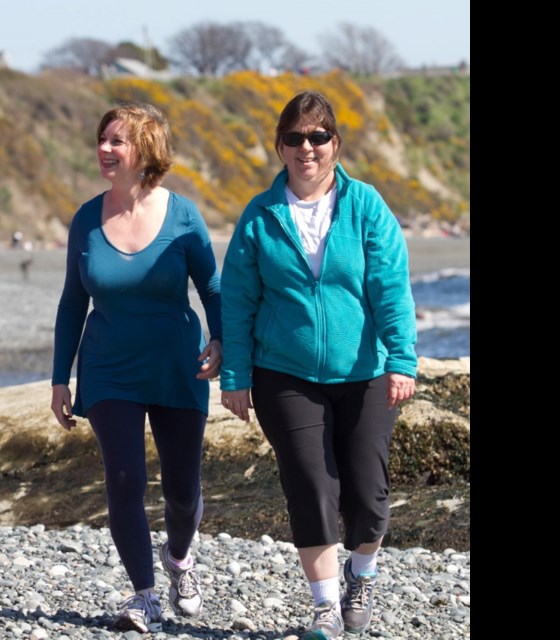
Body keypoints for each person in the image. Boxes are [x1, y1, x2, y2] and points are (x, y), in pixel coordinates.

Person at [219, 90, 417, 640]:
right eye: (295, 138)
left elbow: (390, 288)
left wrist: (401, 359)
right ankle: (324, 608)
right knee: (310, 485)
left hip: (366, 372)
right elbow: (238, 299)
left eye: (319, 137)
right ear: (280, 147)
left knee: (369, 498)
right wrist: (235, 375)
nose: (307, 148)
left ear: (335, 143)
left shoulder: (366, 205)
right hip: (284, 373)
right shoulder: (260, 215)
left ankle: (362, 574)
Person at [50, 103, 222, 633]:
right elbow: (71, 302)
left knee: (183, 489)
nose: (105, 150)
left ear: (145, 150)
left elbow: (212, 287)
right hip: (108, 367)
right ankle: (143, 594)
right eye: (102, 139)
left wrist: (222, 342)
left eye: (117, 141)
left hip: (177, 364)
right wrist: (61, 377)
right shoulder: (86, 218)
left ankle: (179, 559)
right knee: (124, 477)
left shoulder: (184, 215)